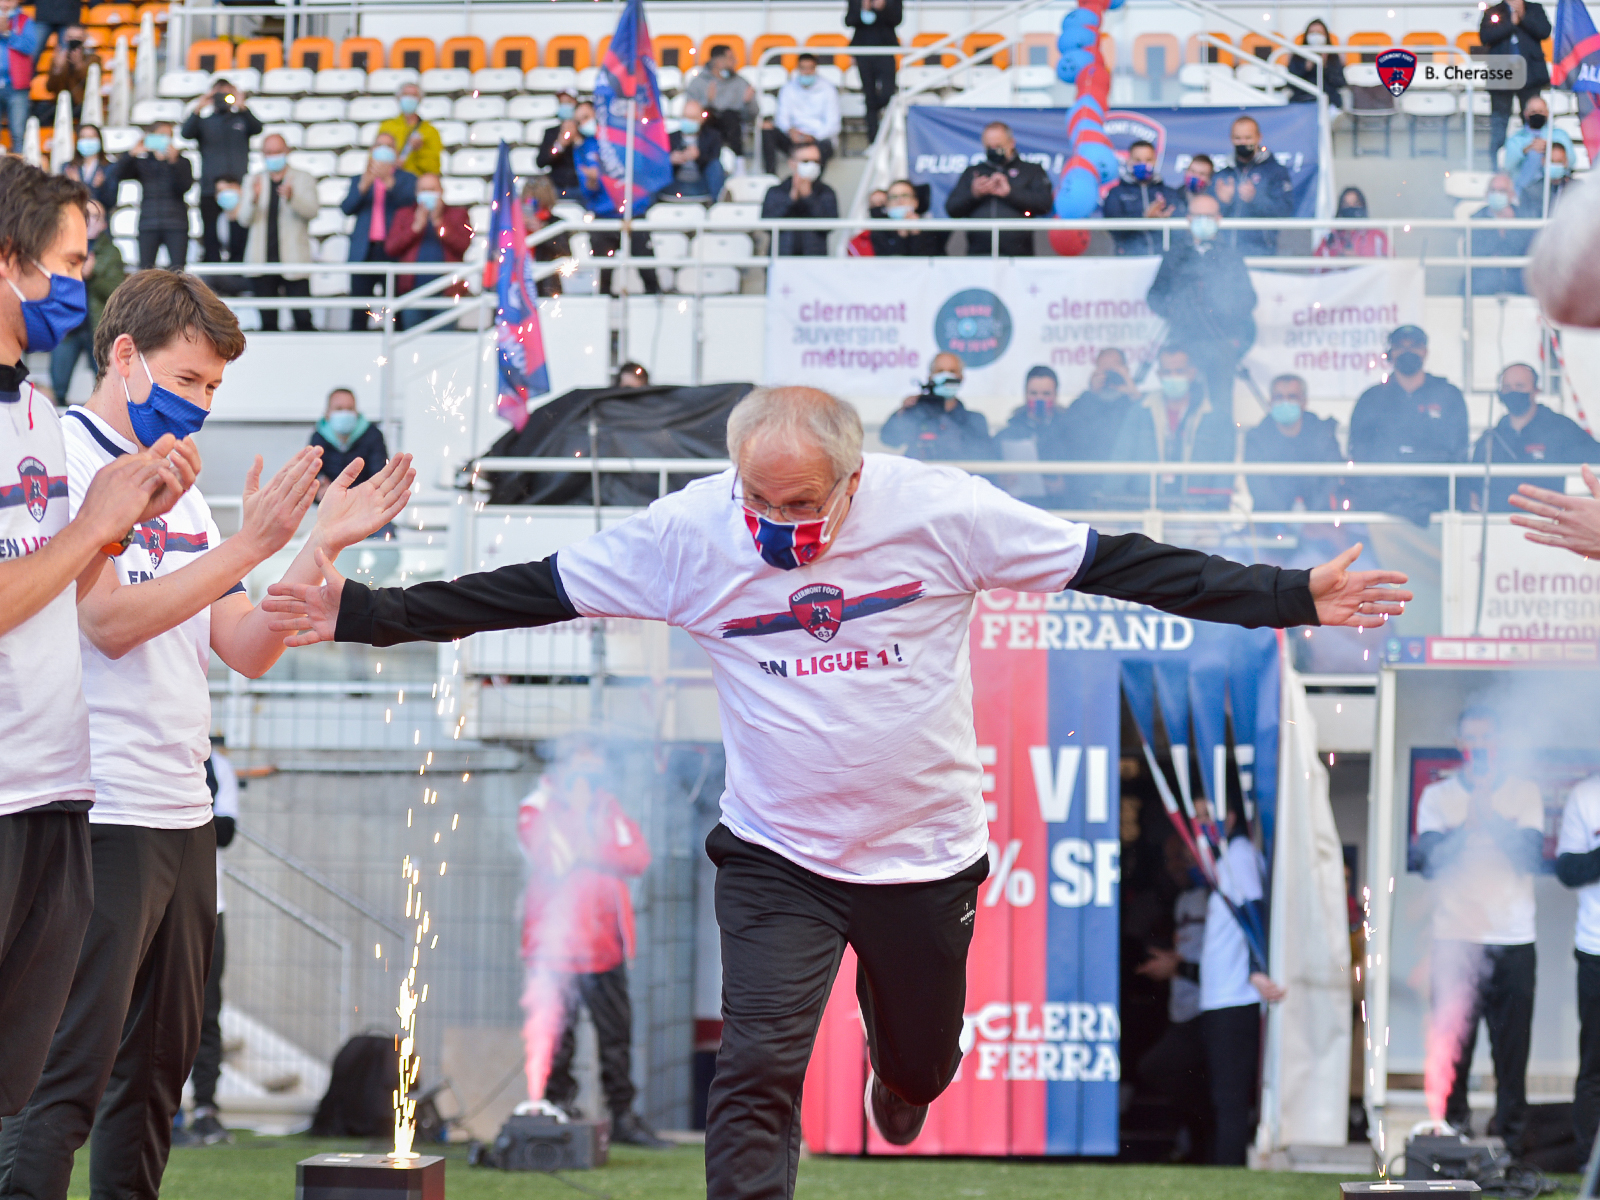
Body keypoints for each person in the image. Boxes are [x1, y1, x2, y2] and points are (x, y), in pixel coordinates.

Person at [260, 386, 1410, 1200]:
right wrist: (364, 613)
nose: (780, 530)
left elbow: (1116, 561)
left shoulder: (938, 509)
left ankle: (901, 1076)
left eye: (805, 507)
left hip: (924, 855)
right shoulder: (691, 535)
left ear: (855, 480)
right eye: (761, 504)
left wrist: (1291, 596)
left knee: (922, 1063)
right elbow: (531, 590)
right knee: (761, 1059)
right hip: (777, 856)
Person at [0, 270, 414, 1199]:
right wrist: (249, 547)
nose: (200, 407)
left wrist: (320, 548)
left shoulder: (179, 489)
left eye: (214, 390)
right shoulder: (57, 456)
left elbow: (244, 645)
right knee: (61, 1084)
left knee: (154, 1084)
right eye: (187, 381)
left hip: (181, 812)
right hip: (92, 807)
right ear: (123, 357)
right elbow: (102, 621)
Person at [0, 159, 196, 1121]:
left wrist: (300, 543)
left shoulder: (34, 413)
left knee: (27, 1097)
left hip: (56, 788)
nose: (74, 285)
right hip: (25, 792)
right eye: (65, 263)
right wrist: (94, 528)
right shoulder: (63, 434)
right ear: (7, 262)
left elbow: (72, 593)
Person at [518, 745, 672, 1148]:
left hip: (605, 945)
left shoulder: (610, 808)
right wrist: (591, 839)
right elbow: (554, 855)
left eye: (595, 760)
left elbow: (637, 857)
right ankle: (555, 1109)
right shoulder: (539, 805)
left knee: (617, 1037)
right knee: (557, 1035)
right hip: (555, 948)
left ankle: (621, 1116)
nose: (589, 768)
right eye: (580, 759)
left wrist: (593, 845)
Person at [1414, 706, 1543, 1152]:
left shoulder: (1524, 793)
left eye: (1487, 739)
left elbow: (1530, 855)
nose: (1480, 749)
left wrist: (1488, 817)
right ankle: (1452, 1142)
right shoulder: (1438, 796)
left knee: (1511, 1055)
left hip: (1513, 940)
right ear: (1460, 744)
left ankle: (1510, 1146)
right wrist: (1468, 824)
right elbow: (1424, 861)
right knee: (1455, 1051)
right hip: (1456, 942)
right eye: (1471, 740)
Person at [1195, 798, 1285, 1165]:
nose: (1200, 823)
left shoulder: (1240, 853)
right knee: (1222, 1096)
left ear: (1229, 816)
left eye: (1205, 815)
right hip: (1221, 995)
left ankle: (1229, 1169)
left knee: (1229, 1098)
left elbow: (1255, 910)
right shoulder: (1226, 857)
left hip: (1234, 996)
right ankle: (1222, 1166)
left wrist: (1257, 967)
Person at [172, 736, 238, 1148]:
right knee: (144, 1010)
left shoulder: (216, 764)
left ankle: (205, 1109)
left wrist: (181, 812)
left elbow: (227, 830)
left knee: (204, 1012)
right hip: (150, 901)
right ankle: (157, 1110)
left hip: (206, 905)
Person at [1146, 193, 1258, 422]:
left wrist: (1227, 313)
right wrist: (1174, 312)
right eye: (1198, 216)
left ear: (1218, 219)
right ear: (1188, 218)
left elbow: (1249, 299)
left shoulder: (1230, 255)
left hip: (1220, 342)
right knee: (1185, 404)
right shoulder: (1175, 254)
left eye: (1208, 216)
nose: (1203, 221)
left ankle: (1220, 453)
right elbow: (1154, 295)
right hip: (1183, 343)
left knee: (1220, 407)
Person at [1134, 836, 1212, 1163]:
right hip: (1181, 1008)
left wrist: (1178, 967)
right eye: (1169, 860)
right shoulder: (1184, 902)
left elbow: (1222, 969)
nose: (1174, 866)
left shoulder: (1215, 901)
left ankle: (1203, 1140)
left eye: (1181, 857)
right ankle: (1193, 1138)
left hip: (1205, 1010)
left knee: (1164, 1068)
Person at [1347, 325, 1468, 526]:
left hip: (1438, 504)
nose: (1407, 352)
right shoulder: (1372, 398)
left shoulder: (1448, 395)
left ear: (1425, 352)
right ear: (1390, 353)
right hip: (1381, 507)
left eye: (1414, 346)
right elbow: (1359, 452)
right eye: (1400, 346)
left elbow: (1459, 451)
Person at [1000, 352, 1139, 508]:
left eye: (1046, 394)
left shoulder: (1070, 427)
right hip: (1024, 508)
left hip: (1063, 510)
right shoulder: (1008, 432)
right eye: (1033, 393)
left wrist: (1066, 485)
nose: (1039, 399)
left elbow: (1086, 465)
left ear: (1056, 395)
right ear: (1025, 394)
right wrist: (1001, 479)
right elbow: (989, 472)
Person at [1109, 343, 1236, 509]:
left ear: (1192, 373)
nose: (1173, 377)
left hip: (1198, 516)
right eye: (1167, 372)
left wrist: (1214, 513)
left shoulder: (1216, 417)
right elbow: (1121, 460)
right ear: (1159, 375)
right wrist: (1112, 504)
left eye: (1179, 371)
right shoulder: (1141, 411)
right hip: (1147, 511)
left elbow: (1223, 472)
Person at [1466, 363, 1599, 510]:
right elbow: (1473, 488)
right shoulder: (1490, 438)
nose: (1513, 392)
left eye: (1520, 386)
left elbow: (1595, 459)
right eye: (1507, 388)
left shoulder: (1560, 428)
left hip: (1546, 523)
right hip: (1497, 524)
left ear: (1536, 391)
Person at [1557, 771, 1600, 1160]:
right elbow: (1567, 870)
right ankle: (1591, 1164)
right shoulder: (1586, 796)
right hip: (1596, 948)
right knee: (1595, 1061)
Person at [236, 132, 317, 333]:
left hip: (293, 259)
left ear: (287, 151)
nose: (273, 156)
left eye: (277, 152)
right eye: (269, 152)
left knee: (303, 318)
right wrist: (253, 199)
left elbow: (312, 212)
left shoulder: (303, 178)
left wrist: (292, 197)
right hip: (262, 261)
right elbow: (243, 219)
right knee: (268, 322)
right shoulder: (253, 180)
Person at [574, 108, 660, 296]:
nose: (584, 123)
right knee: (604, 272)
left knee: (647, 267)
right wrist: (593, 180)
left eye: (587, 117)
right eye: (580, 120)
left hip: (633, 211)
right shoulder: (583, 149)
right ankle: (604, 312)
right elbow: (587, 190)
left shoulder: (624, 138)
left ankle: (655, 303)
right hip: (604, 217)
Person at [180, 78, 261, 265]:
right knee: (210, 234)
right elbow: (186, 133)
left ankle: (238, 274)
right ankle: (214, 274)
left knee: (239, 232)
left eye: (228, 94)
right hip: (210, 188)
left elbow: (258, 128)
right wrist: (199, 106)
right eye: (219, 94)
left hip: (238, 188)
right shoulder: (205, 122)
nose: (224, 98)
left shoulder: (241, 119)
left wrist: (242, 105)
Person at [340, 131, 416, 331]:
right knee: (359, 308)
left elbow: (410, 205)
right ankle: (356, 347)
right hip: (364, 251)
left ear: (396, 152)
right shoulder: (359, 179)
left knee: (395, 308)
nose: (383, 150)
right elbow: (347, 208)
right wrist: (364, 185)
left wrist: (389, 181)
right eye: (379, 145)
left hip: (393, 251)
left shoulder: (407, 179)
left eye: (389, 146)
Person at [49, 197, 122, 403]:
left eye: (95, 217)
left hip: (97, 329)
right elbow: (51, 287)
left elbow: (115, 293)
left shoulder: (111, 253)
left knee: (105, 388)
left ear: (104, 223)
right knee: (58, 387)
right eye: (85, 215)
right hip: (68, 329)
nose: (89, 221)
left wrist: (92, 275)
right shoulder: (60, 249)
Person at [944, 121, 1053, 257]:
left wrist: (1010, 193)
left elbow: (1045, 205)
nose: (994, 150)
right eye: (989, 147)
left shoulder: (1031, 170)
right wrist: (974, 194)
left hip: (1018, 256)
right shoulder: (973, 172)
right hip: (978, 256)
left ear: (1011, 143)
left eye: (998, 146)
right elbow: (952, 209)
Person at [384, 172, 472, 330]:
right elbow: (391, 248)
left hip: (447, 293)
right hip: (413, 293)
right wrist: (415, 228)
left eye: (432, 189)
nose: (428, 194)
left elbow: (463, 245)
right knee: (412, 345)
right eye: (424, 190)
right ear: (417, 193)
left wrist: (439, 222)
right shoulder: (404, 214)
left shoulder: (458, 214)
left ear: (441, 191)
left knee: (444, 344)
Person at [1243, 373, 1341, 513]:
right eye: (1279, 397)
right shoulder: (1257, 438)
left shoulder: (1323, 434)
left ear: (1304, 401)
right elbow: (1259, 487)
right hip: (1269, 521)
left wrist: (1311, 517)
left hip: (1319, 520)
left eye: (1292, 397)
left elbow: (1331, 479)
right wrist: (1282, 519)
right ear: (1271, 401)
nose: (1285, 402)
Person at [880, 352, 993, 461]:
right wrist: (904, 411)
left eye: (952, 371)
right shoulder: (917, 413)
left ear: (961, 377)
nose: (946, 376)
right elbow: (889, 440)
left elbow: (983, 457)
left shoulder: (974, 420)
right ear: (930, 377)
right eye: (940, 371)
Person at [1211, 115, 1295, 255]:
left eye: (1248, 138)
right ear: (1231, 139)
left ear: (1258, 137)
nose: (1243, 142)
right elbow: (1206, 213)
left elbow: (1285, 210)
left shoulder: (1275, 171)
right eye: (1238, 138)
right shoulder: (1223, 174)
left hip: (1261, 252)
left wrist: (1255, 199)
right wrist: (1222, 201)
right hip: (1224, 253)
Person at [1481, 0, 1550, 167]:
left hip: (1530, 75)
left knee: (1533, 121)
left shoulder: (1534, 8)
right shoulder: (1494, 11)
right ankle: (1495, 170)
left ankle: (1533, 165)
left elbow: (1544, 31)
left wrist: (1523, 16)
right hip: (1502, 77)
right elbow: (1485, 36)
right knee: (1499, 124)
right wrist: (1511, 23)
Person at [115, 122, 193, 270]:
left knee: (178, 271)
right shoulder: (143, 161)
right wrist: (132, 153)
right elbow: (119, 174)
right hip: (148, 223)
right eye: (160, 135)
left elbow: (184, 187)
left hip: (176, 223)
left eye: (168, 135)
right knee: (145, 270)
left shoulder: (182, 162)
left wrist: (173, 162)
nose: (165, 139)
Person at [1100, 139, 1185, 256]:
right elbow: (1113, 227)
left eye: (1148, 160)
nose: (1143, 164)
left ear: (1155, 161)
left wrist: (1166, 220)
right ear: (1129, 161)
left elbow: (1181, 228)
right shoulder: (1116, 193)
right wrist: (1144, 217)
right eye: (1138, 160)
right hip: (1129, 258)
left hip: (1165, 261)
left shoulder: (1168, 193)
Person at [763, 54, 840, 177]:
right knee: (767, 130)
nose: (807, 71)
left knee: (824, 146)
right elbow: (781, 118)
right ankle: (770, 176)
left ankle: (815, 184)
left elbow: (833, 124)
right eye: (803, 68)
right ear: (798, 69)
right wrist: (790, 131)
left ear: (815, 69)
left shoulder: (828, 90)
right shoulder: (788, 89)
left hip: (817, 138)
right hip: (794, 137)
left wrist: (812, 136)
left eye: (810, 68)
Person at [760, 143, 838, 257]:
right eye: (805, 161)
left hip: (815, 262)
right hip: (781, 260)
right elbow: (766, 224)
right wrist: (791, 199)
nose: (812, 165)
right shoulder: (776, 191)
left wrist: (809, 197)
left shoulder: (826, 192)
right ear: (792, 163)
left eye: (816, 161)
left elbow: (829, 225)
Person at [310, 387, 388, 496]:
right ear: (327, 413)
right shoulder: (318, 438)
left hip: (363, 502)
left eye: (350, 408)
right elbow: (310, 478)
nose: (345, 413)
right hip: (330, 505)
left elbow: (380, 476)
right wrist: (318, 492)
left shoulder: (373, 436)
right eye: (339, 408)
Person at [684, 44, 757, 156]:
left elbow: (752, 115)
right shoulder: (698, 82)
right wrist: (707, 101)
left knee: (730, 116)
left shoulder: (741, 82)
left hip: (733, 125)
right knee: (708, 116)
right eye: (731, 59)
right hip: (708, 123)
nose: (735, 62)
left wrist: (746, 103)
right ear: (718, 62)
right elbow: (689, 112)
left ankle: (738, 162)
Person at [1470, 173, 1534, 295]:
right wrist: (1499, 225)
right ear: (1486, 194)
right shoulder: (1476, 218)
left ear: (1512, 194)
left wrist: (1510, 223)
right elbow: (1477, 250)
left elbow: (1525, 250)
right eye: (1493, 190)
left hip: (1516, 277)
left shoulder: (1525, 218)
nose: (1497, 195)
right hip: (1485, 277)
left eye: (1502, 191)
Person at [846, 0, 901, 142]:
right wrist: (864, 9)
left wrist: (882, 8)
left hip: (886, 52)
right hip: (863, 53)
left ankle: (890, 138)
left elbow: (897, 19)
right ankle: (873, 142)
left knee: (888, 94)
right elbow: (849, 20)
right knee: (869, 96)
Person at [377, 80, 442, 178]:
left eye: (413, 95)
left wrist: (420, 151)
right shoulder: (387, 126)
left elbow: (434, 169)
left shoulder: (430, 131)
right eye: (406, 94)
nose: (409, 98)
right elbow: (374, 158)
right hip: (390, 180)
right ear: (398, 98)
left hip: (416, 183)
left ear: (420, 100)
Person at [1501, 94, 1571, 181]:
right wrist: (1525, 150)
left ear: (1547, 113)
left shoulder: (1560, 135)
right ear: (1526, 113)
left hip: (1554, 187)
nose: (1537, 114)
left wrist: (1551, 148)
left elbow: (1571, 162)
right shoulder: (1516, 139)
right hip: (1523, 189)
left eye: (1541, 111)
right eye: (1533, 112)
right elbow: (1508, 166)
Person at [665, 104, 726, 203]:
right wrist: (669, 159)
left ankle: (717, 204)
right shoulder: (670, 138)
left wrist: (698, 156)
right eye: (685, 117)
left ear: (701, 119)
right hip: (675, 182)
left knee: (715, 166)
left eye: (692, 118)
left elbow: (714, 158)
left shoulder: (713, 137)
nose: (688, 121)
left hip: (701, 181)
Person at [868, 178, 945, 256]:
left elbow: (930, 260)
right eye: (894, 197)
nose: (900, 200)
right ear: (887, 204)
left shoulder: (931, 228)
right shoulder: (880, 231)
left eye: (905, 195)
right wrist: (902, 235)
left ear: (916, 202)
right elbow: (889, 263)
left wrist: (916, 233)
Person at [0, 0, 38, 152]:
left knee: (18, 134)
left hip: (16, 86)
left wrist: (7, 33)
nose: (5, 3)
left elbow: (29, 47)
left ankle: (19, 173)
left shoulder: (24, 20)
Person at [523, 176, 570, 297]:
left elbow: (564, 252)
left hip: (547, 282)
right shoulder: (514, 222)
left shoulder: (557, 223)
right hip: (520, 279)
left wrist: (542, 232)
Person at [535, 90, 583, 198]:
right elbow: (541, 162)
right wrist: (559, 145)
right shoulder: (551, 133)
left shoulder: (584, 131)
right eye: (562, 103)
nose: (565, 106)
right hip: (557, 187)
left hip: (581, 187)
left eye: (568, 102)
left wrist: (577, 139)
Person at [1316, 187, 1388, 258]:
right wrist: (1337, 260)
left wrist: (1358, 260)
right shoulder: (1330, 238)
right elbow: (1315, 266)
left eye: (1355, 204)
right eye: (1346, 205)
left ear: (1362, 206)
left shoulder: (1376, 235)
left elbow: (1389, 264)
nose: (1351, 208)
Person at [1287, 19, 1345, 106]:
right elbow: (1290, 83)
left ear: (1326, 36)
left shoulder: (1333, 56)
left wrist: (1325, 65)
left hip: (1329, 101)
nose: (1316, 36)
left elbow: (1340, 82)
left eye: (1319, 32)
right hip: (1302, 100)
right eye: (1312, 33)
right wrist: (1306, 67)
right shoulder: (1298, 56)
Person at [63, 122, 117, 213]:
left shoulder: (110, 168)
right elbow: (64, 199)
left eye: (91, 137)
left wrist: (99, 187)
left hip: (99, 220)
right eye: (83, 137)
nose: (87, 141)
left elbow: (110, 202)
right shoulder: (68, 167)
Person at [206, 176, 248, 285]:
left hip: (250, 274)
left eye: (229, 189)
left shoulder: (253, 222)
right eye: (220, 191)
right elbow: (212, 254)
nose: (225, 194)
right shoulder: (216, 224)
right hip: (226, 275)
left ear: (240, 190)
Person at [43, 24, 90, 119]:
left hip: (82, 104)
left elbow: (91, 85)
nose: (74, 41)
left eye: (78, 38)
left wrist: (79, 65)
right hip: (60, 104)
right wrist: (58, 68)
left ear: (84, 39)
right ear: (65, 38)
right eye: (71, 37)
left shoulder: (92, 59)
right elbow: (50, 88)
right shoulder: (58, 59)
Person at [1519, 141, 1572, 217]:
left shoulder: (1577, 188)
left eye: (1559, 162)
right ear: (1543, 161)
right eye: (1552, 161)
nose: (1556, 165)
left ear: (1566, 162)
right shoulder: (1530, 192)